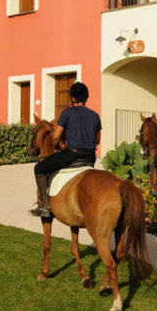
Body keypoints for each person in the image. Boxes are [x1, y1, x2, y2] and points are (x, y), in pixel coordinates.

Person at [31, 81, 101, 216]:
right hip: (90, 157)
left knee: (39, 168)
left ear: (72, 98)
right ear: (86, 97)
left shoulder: (67, 113)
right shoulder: (95, 115)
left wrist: (60, 145)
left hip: (72, 154)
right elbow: (97, 140)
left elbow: (56, 137)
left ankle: (45, 207)